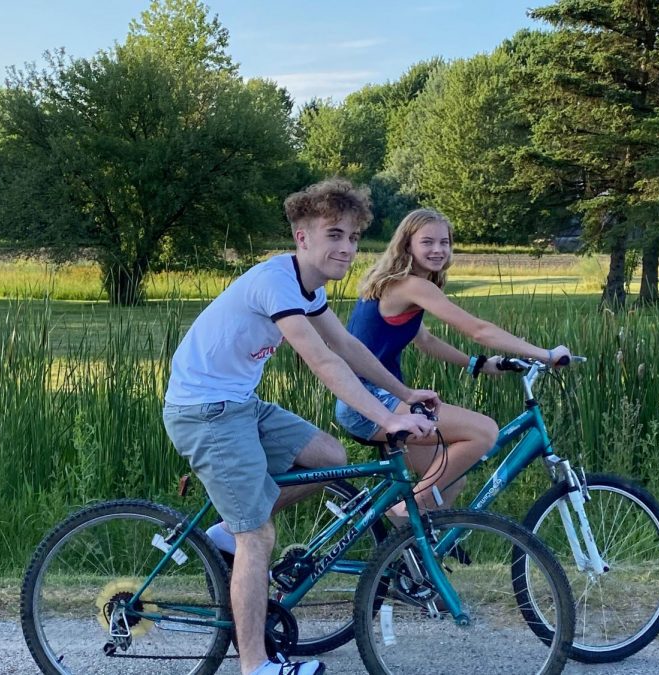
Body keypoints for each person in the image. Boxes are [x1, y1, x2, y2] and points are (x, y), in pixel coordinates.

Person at [162, 180, 439, 675]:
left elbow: (350, 349)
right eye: (335, 234)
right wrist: (387, 419)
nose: (347, 248)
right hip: (203, 411)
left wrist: (402, 395)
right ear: (302, 237)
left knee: (330, 458)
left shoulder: (309, 287)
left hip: (239, 403)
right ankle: (256, 666)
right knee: (259, 538)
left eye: (354, 237)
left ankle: (226, 532)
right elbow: (321, 361)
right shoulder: (275, 281)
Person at [335, 208, 571, 519]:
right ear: (407, 245)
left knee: (449, 482)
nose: (438, 250)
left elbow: (427, 341)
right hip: (371, 403)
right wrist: (545, 354)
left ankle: (406, 560)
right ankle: (404, 513)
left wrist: (479, 364)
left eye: (444, 242)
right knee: (484, 431)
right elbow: (478, 329)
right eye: (427, 242)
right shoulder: (413, 286)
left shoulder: (397, 285)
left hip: (365, 401)